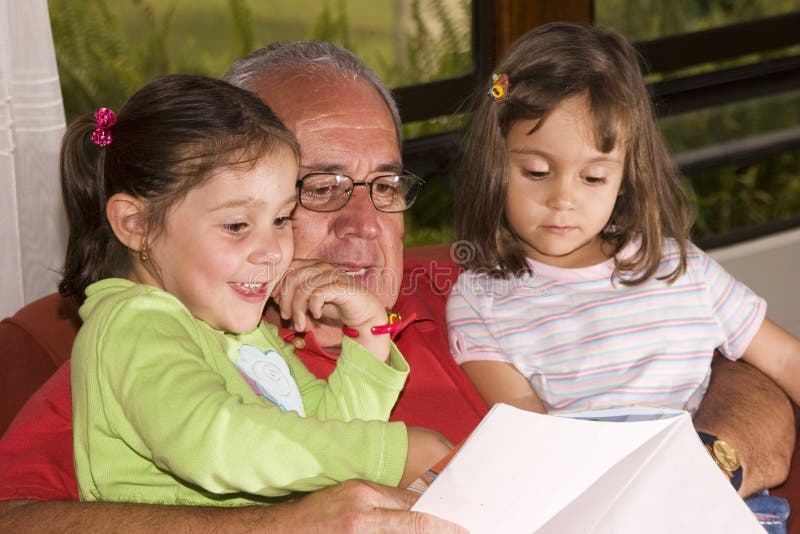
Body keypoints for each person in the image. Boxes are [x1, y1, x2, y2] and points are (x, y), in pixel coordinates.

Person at [0, 40, 793, 532]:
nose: (362, 222)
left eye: (384, 184)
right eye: (317, 188)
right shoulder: (156, 337)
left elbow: (723, 358)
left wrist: (697, 466)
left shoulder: (468, 280)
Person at [447, 22, 796, 528]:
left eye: (593, 177)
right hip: (594, 504)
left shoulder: (680, 266)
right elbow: (530, 433)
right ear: (493, 164)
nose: (563, 198)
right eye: (537, 172)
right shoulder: (480, 299)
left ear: (626, 175)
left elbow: (784, 357)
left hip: (716, 505)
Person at [61, 73, 454, 505]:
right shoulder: (130, 325)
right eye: (236, 225)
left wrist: (367, 327)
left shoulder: (244, 333)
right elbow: (216, 444)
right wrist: (391, 455)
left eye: (282, 220)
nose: (271, 252)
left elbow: (333, 430)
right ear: (135, 225)